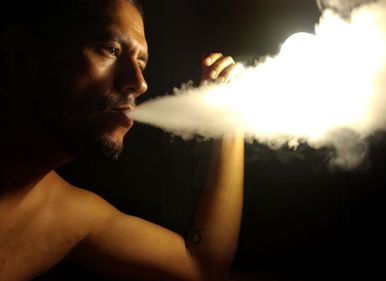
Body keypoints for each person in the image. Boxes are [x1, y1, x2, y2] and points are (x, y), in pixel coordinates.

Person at [0, 0, 245, 280]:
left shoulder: (68, 216)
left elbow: (202, 267)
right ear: (23, 55)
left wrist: (229, 116)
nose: (139, 83)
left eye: (141, 62)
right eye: (111, 49)